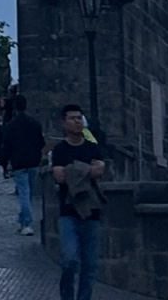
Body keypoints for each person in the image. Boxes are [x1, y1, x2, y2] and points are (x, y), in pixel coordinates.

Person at [51, 103, 107, 300]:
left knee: (90, 265)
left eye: (79, 117)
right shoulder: (60, 150)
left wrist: (73, 170)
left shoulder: (92, 147)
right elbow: (58, 175)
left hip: (92, 211)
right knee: (70, 259)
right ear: (64, 123)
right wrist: (86, 171)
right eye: (72, 118)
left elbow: (100, 170)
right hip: (68, 210)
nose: (77, 121)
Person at [3, 91, 45, 236]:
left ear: (15, 107)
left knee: (24, 193)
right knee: (28, 193)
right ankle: (23, 221)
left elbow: (6, 146)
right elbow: (41, 142)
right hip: (33, 161)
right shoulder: (35, 123)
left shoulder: (11, 125)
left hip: (19, 162)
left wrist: (6, 162)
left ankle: (26, 223)